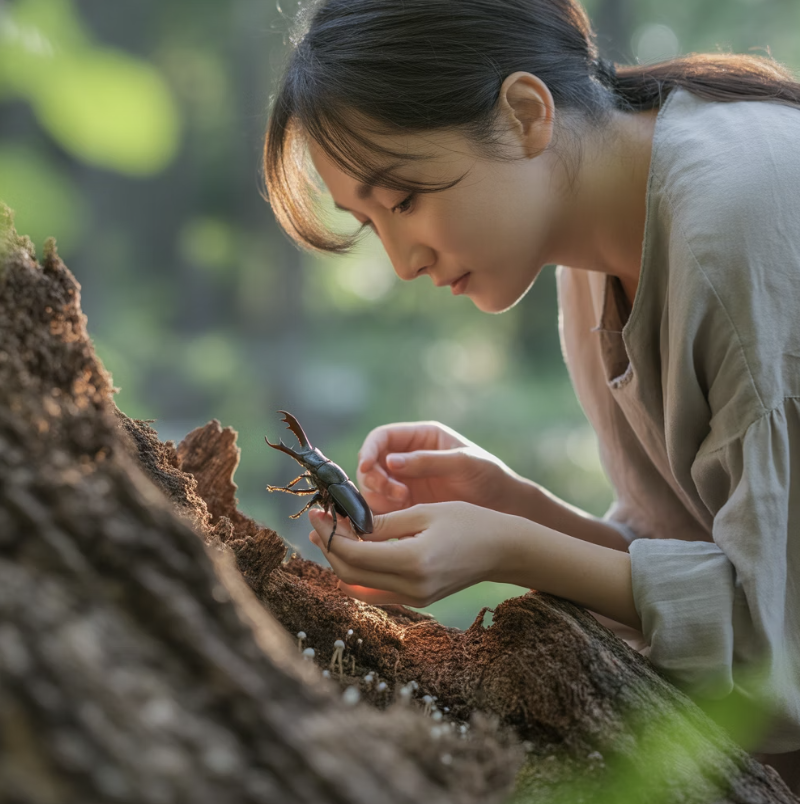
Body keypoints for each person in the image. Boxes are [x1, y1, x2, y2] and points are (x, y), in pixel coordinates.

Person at [263, 0, 800, 780]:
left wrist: (511, 548)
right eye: (369, 222)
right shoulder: (591, 259)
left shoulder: (737, 224)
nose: (403, 262)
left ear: (524, 114)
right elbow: (702, 568)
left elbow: (775, 651)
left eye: (405, 200)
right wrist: (513, 508)